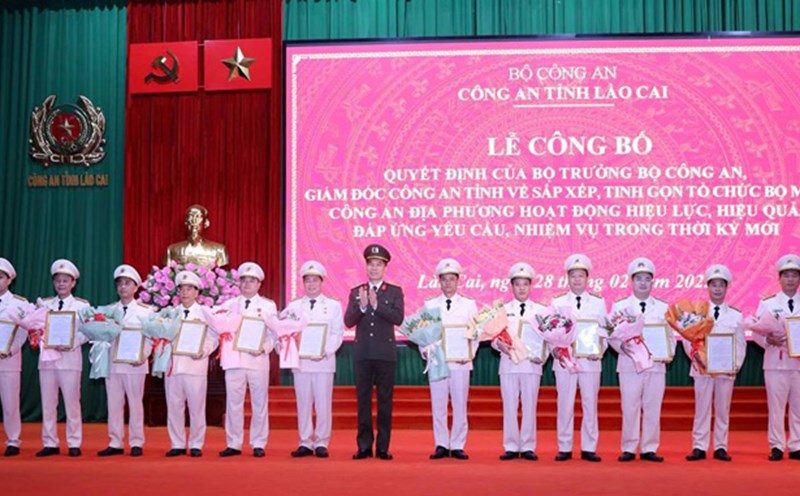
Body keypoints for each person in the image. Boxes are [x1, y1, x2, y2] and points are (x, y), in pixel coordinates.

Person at [610, 257, 675, 462]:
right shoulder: (620, 306)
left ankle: (649, 447)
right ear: (632, 281)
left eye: (647, 279)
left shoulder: (663, 307)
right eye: (639, 279)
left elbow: (670, 335)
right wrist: (621, 347)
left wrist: (668, 353)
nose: (643, 283)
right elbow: (611, 334)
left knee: (653, 406)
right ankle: (629, 447)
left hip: (656, 365)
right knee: (629, 406)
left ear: (652, 282)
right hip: (629, 364)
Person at [344, 244, 404, 460]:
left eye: (378, 264)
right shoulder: (356, 291)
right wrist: (361, 306)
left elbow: (398, 318)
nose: (374, 268)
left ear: (385, 267)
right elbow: (348, 321)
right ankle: (363, 446)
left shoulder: (394, 291)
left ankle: (383, 447)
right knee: (363, 401)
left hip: (385, 354)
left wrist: (377, 305)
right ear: (366, 266)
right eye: (371, 264)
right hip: (363, 354)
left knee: (385, 402)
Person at [685, 264, 746, 462]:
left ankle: (720, 446)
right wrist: (696, 357)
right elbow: (689, 339)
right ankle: (699, 446)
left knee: (722, 409)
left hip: (725, 370)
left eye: (721, 285)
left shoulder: (736, 315)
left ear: (727, 288)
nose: (718, 289)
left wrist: (734, 365)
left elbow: (740, 343)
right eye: (714, 285)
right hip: (702, 368)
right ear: (708, 287)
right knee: (701, 408)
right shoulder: (697, 312)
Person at [284, 261, 344, 458]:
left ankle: (321, 442)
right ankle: (305, 441)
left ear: (322, 282)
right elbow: (285, 333)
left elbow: (337, 333)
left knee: (323, 403)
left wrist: (325, 351)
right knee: (303, 403)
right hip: (301, 363)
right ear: (303, 283)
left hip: (323, 362)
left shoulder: (333, 306)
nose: (311, 284)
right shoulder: (293, 306)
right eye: (307, 280)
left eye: (315, 280)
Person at [551, 254, 607, 462]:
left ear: (587, 278)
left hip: (590, 361)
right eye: (573, 276)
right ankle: (564, 446)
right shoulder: (557, 302)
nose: (577, 280)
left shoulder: (598, 302)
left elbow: (604, 331)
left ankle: (589, 447)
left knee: (590, 404)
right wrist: (555, 350)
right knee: (564, 404)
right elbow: (550, 330)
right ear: (567, 278)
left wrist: (600, 350)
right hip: (565, 362)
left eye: (581, 276)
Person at [217, 262, 277, 458]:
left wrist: (264, 348)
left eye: (252, 281)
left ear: (259, 284)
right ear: (239, 283)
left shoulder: (268, 306)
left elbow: (274, 334)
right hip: (234, 360)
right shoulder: (228, 305)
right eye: (244, 280)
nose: (247, 284)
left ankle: (258, 442)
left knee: (259, 403)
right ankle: (233, 443)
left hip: (258, 360)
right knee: (234, 403)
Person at [424, 258, 478, 460]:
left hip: (460, 363)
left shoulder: (469, 305)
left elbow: (476, 333)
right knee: (438, 405)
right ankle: (440, 443)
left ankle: (457, 444)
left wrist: (469, 353)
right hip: (437, 363)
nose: (448, 283)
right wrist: (427, 351)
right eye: (444, 279)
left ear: (458, 281)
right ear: (439, 281)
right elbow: (424, 334)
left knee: (459, 404)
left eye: (452, 279)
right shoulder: (430, 304)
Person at [98, 264, 154, 457]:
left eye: (127, 283)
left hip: (135, 365)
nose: (123, 287)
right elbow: (101, 337)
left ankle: (137, 441)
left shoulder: (146, 311)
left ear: (136, 287)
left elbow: (151, 338)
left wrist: (143, 355)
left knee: (135, 403)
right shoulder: (108, 310)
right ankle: (115, 442)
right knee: (113, 403)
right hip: (113, 364)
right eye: (120, 284)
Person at [36, 259, 90, 457]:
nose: (61, 284)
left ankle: (74, 442)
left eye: (65, 280)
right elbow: (37, 329)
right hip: (47, 361)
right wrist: (41, 335)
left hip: (70, 360)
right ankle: (50, 442)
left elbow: (87, 332)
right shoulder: (44, 305)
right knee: (48, 403)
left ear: (73, 283)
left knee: (72, 402)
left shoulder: (81, 306)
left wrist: (70, 343)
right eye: (58, 280)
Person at [492, 262, 546, 461]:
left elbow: (548, 338)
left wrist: (543, 355)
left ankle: (529, 445)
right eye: (518, 284)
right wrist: (500, 346)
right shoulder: (502, 310)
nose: (522, 288)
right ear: (511, 286)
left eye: (525, 284)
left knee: (530, 406)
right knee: (509, 406)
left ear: (530, 286)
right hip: (509, 364)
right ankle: (511, 446)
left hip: (532, 365)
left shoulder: (541, 311)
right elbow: (494, 338)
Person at [165, 271, 218, 457]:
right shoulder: (169, 313)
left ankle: (196, 444)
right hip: (173, 367)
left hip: (195, 367)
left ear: (197, 292)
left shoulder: (205, 313)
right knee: (174, 406)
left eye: (189, 289)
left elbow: (214, 337)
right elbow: (161, 337)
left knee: (196, 407)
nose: (185, 292)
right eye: (181, 289)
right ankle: (177, 443)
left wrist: (203, 352)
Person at [755, 254, 800, 461]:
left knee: (799, 407)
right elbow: (756, 332)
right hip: (775, 363)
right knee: (776, 407)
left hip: (798, 365)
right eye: (786, 275)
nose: (790, 279)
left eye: (794, 275)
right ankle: (777, 446)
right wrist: (768, 342)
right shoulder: (768, 304)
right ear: (779, 279)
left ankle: (796, 445)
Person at [0, 258, 28, 456]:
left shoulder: (19, 303)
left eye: (1, 277)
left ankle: (13, 440)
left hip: (8, 359)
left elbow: (24, 331)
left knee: (10, 402)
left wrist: (11, 349)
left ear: (9, 280)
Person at [165, 204, 229, 267]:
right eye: (190, 216)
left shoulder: (219, 250)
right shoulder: (172, 250)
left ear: (206, 223)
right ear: (186, 222)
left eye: (198, 216)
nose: (194, 220)